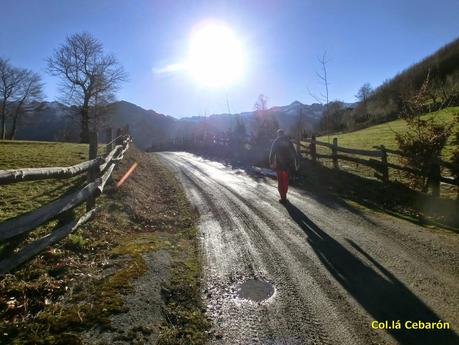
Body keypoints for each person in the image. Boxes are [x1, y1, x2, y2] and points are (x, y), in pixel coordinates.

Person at [269, 129, 299, 203]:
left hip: (279, 166)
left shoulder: (276, 142)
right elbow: (294, 153)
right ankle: (284, 195)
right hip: (287, 166)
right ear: (283, 134)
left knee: (280, 181)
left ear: (278, 134)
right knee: (285, 181)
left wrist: (271, 163)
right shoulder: (288, 141)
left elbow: (272, 153)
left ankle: (282, 197)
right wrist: (296, 162)